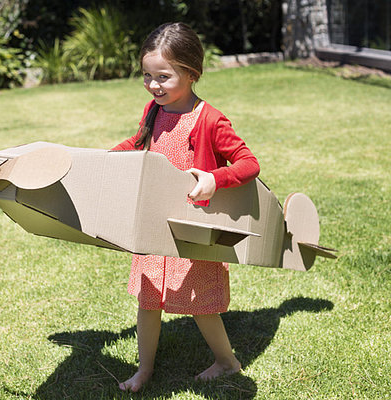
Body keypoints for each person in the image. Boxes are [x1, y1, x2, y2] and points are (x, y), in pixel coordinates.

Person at [112, 22, 260, 392]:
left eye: (163, 76)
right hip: (154, 223)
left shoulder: (210, 119)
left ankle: (226, 361)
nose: (153, 85)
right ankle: (144, 370)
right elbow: (138, 143)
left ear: (191, 73)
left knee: (201, 304)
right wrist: (107, 160)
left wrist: (215, 178)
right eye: (147, 75)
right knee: (149, 300)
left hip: (193, 225)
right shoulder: (153, 110)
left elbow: (248, 162)